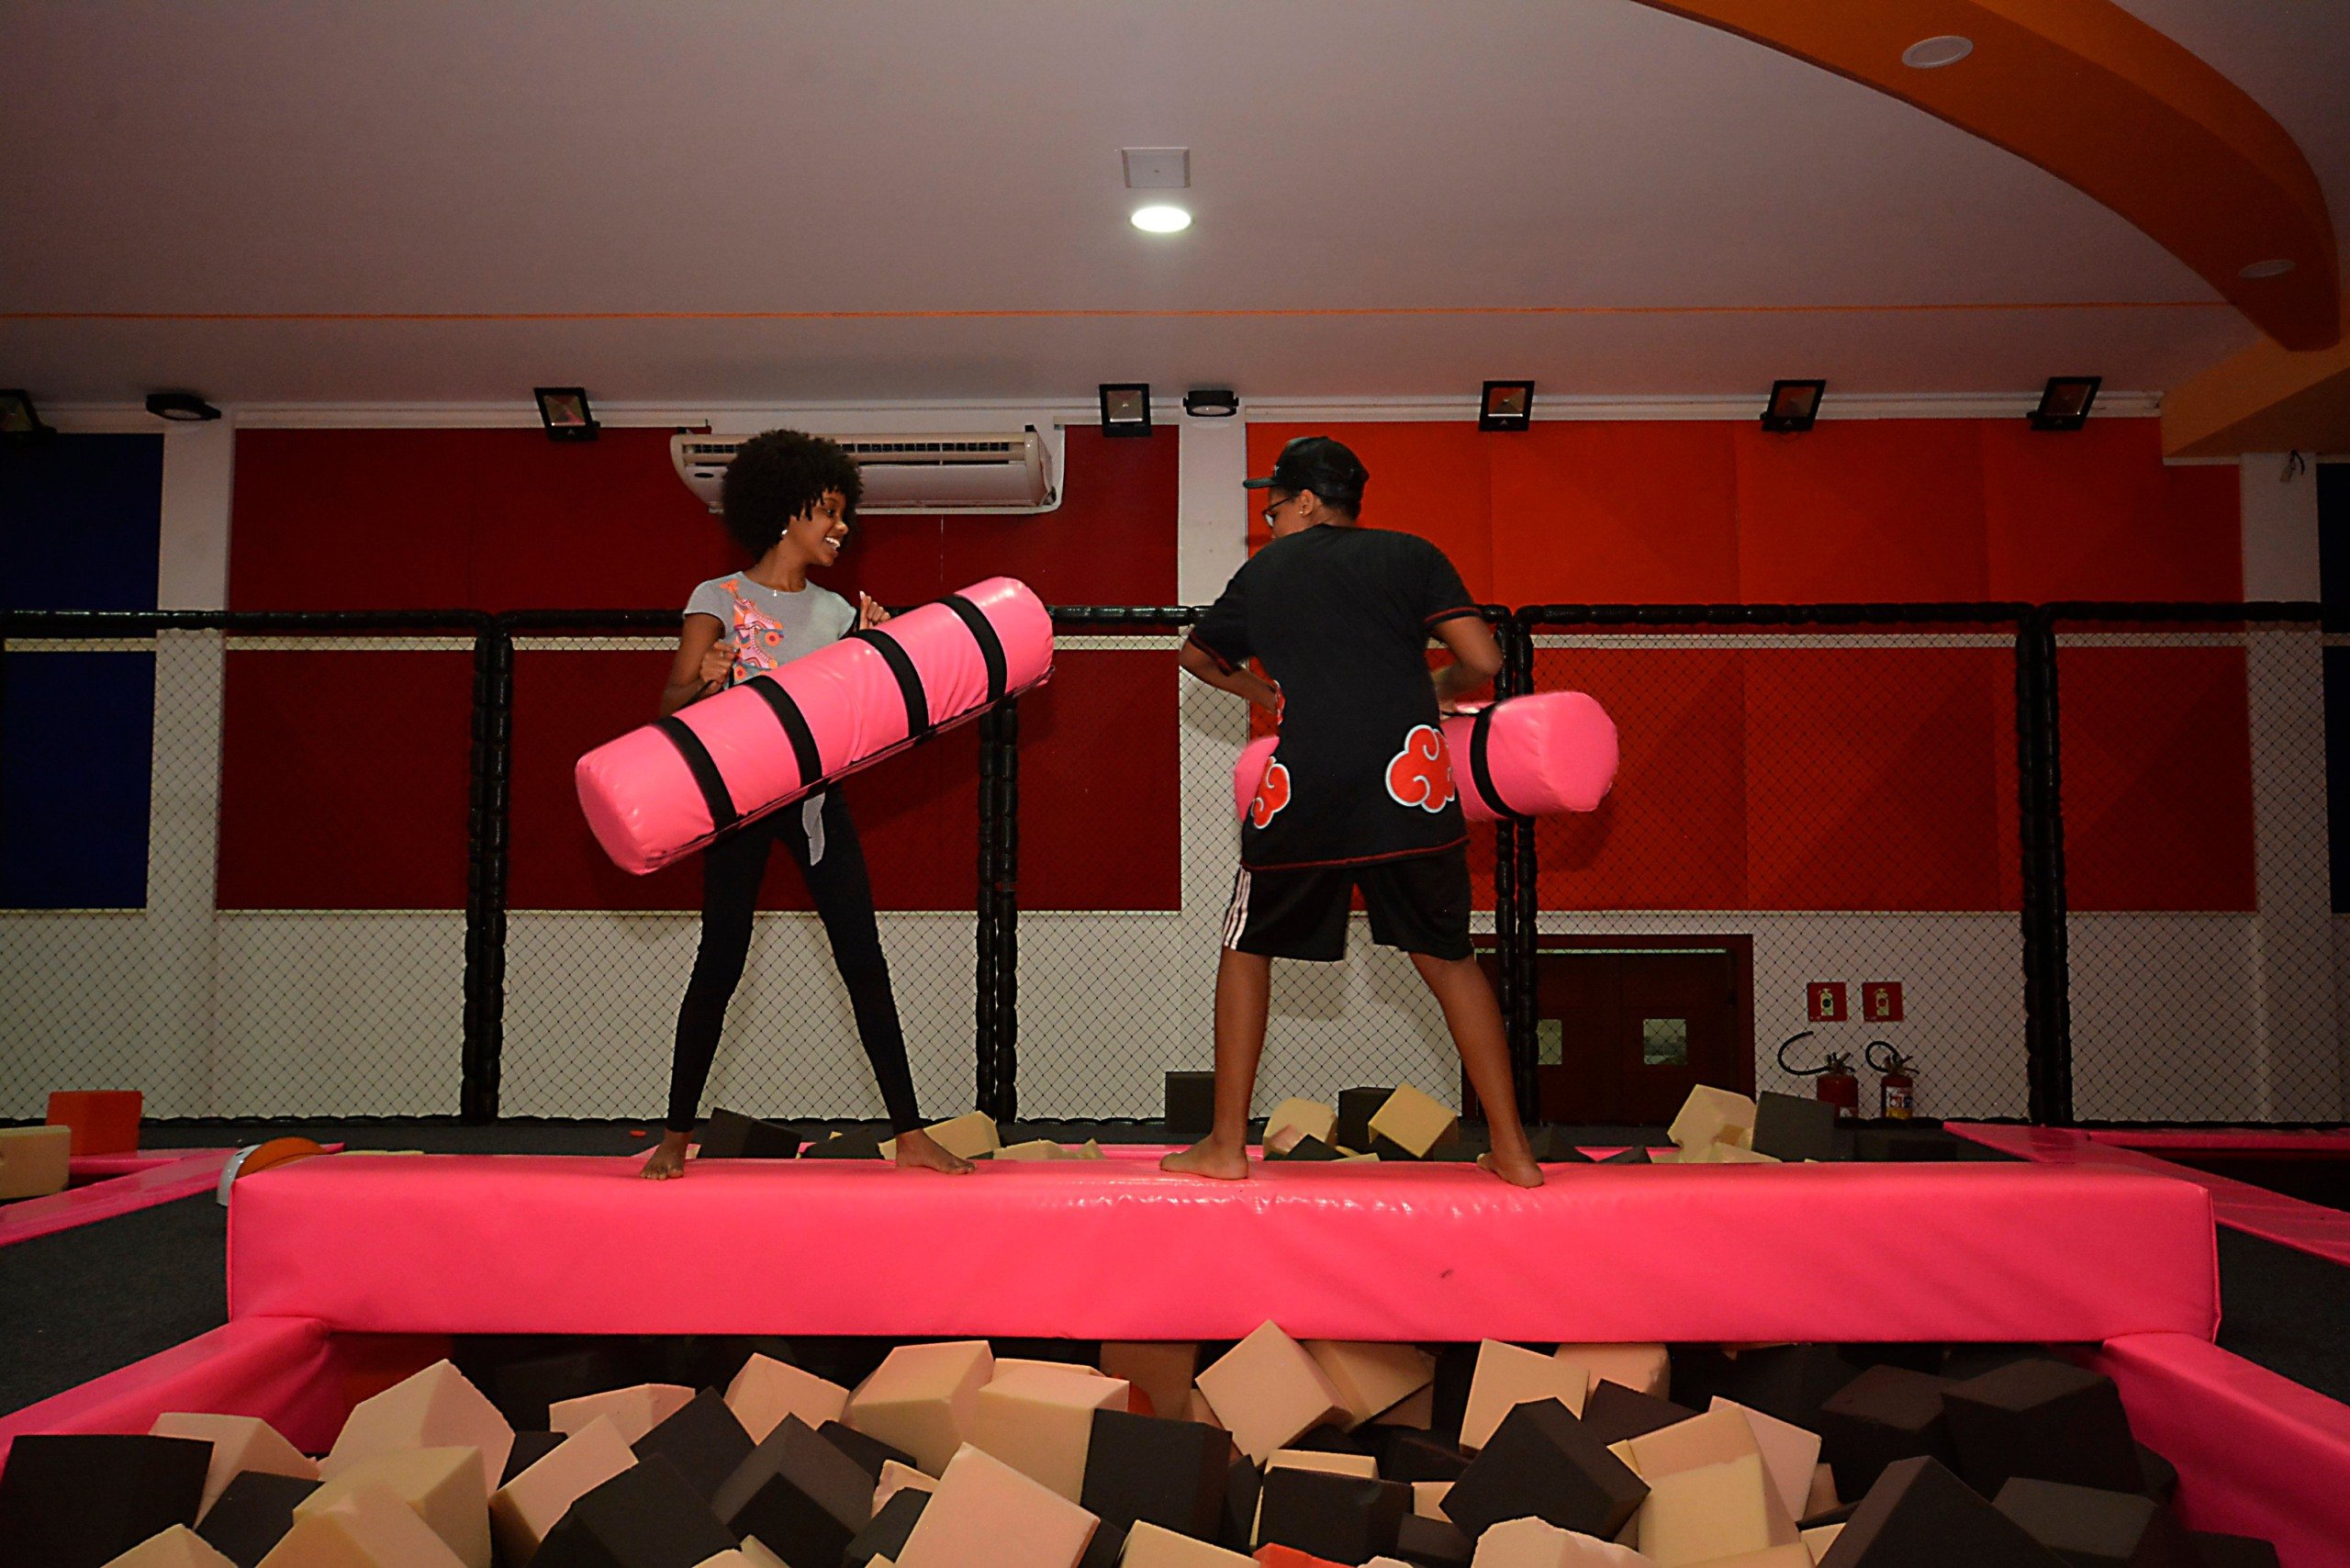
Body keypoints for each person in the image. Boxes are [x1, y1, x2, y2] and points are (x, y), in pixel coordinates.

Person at [1159, 436, 1545, 1187]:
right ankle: (1513, 1149)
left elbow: (1197, 657)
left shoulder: (1265, 572)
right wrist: (1426, 692)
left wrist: (1264, 696)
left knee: (1247, 946)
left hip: (1308, 789)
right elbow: (1486, 662)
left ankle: (1224, 1146)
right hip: (1412, 786)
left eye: (1272, 507)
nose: (1268, 522)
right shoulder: (1411, 555)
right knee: (1451, 959)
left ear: (1305, 501)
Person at [641, 429, 970, 1179]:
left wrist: (876, 652)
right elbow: (669, 712)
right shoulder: (716, 599)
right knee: (718, 965)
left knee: (865, 964)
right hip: (739, 810)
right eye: (828, 511)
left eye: (843, 513)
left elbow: (860, 722)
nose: (840, 527)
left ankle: (911, 1135)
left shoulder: (835, 612)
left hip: (818, 805)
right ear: (788, 512)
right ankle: (672, 1137)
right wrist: (705, 680)